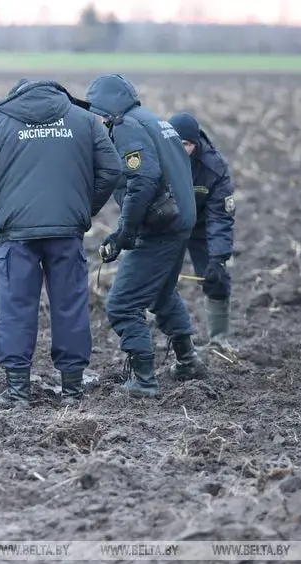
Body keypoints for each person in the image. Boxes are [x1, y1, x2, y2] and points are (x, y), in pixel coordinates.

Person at [0, 79, 124, 408]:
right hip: (66, 232)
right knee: (70, 306)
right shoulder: (84, 121)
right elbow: (112, 169)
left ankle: (18, 391)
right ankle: (73, 392)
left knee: (15, 307)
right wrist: (82, 209)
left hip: (15, 235)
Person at [84, 73, 207, 398]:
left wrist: (125, 231)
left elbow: (144, 179)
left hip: (161, 228)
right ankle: (188, 360)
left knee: (123, 304)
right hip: (180, 220)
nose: (94, 119)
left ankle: (143, 379)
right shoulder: (154, 121)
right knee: (161, 293)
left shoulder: (126, 128)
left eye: (96, 111)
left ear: (108, 109)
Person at [168, 112, 236, 350]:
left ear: (195, 144)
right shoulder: (157, 158)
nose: (179, 149)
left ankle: (219, 340)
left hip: (201, 227)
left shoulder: (213, 167)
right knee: (154, 279)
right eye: (175, 143)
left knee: (216, 278)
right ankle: (164, 337)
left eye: (185, 144)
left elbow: (220, 216)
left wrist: (219, 257)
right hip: (166, 226)